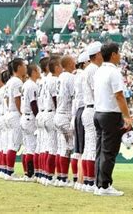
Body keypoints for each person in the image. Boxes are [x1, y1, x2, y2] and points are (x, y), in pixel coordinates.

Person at [93, 42, 133, 196]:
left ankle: (98, 184)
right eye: (119, 52)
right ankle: (105, 186)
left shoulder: (99, 71)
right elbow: (119, 95)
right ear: (114, 54)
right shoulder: (114, 72)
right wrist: (127, 117)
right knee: (109, 152)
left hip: (98, 112)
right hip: (110, 114)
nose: (120, 55)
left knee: (100, 150)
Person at [81, 41, 103, 193]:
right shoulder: (94, 69)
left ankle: (88, 182)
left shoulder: (87, 69)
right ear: (97, 55)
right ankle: (91, 182)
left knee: (88, 148)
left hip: (86, 109)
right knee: (93, 149)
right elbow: (98, 92)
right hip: (93, 108)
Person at [54, 55, 76, 187]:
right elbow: (75, 96)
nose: (75, 64)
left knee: (62, 148)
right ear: (68, 64)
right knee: (71, 147)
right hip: (66, 115)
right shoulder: (70, 77)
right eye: (73, 62)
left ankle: (61, 178)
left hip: (58, 114)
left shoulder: (60, 77)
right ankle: (70, 178)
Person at [4, 58, 27, 181]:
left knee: (11, 143)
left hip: (9, 112)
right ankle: (9, 172)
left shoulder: (9, 81)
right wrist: (22, 112)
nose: (25, 67)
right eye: (24, 65)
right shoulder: (17, 81)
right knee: (14, 144)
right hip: (15, 114)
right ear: (18, 67)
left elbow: (8, 100)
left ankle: (8, 171)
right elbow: (18, 100)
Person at [71, 51, 90, 190]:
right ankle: (84, 180)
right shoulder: (85, 74)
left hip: (77, 112)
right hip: (84, 109)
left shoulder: (76, 76)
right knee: (86, 149)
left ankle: (78, 179)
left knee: (78, 150)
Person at [43, 56, 62, 186]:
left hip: (45, 112)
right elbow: (56, 99)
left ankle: (47, 175)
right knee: (55, 148)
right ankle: (51, 177)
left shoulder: (46, 79)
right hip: (53, 112)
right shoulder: (54, 80)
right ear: (56, 68)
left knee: (50, 147)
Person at [20, 64, 40, 181]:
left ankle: (27, 172)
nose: (39, 72)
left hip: (24, 116)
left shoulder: (26, 84)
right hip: (29, 117)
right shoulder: (32, 85)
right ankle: (30, 174)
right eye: (38, 70)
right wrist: (38, 116)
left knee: (28, 147)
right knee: (32, 146)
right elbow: (33, 104)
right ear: (33, 72)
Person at [36, 57, 50, 184]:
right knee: (52, 148)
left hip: (41, 113)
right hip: (50, 112)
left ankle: (41, 174)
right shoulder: (51, 79)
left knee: (42, 147)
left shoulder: (40, 81)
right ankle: (49, 176)